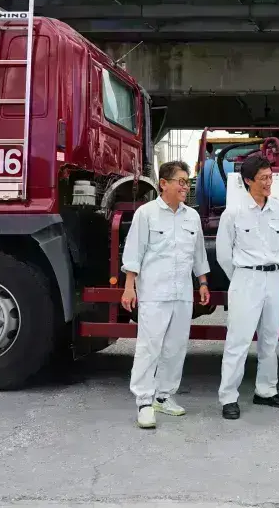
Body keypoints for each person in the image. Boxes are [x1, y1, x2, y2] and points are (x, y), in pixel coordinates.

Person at [120, 160, 211, 429]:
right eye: (181, 181)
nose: (186, 186)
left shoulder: (191, 216)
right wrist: (129, 286)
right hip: (154, 292)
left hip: (182, 293)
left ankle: (163, 396)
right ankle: (144, 402)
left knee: (175, 347)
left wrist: (202, 282)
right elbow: (134, 252)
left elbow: (198, 254)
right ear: (164, 184)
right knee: (150, 347)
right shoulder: (146, 214)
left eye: (187, 181)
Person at [215, 155, 279, 420]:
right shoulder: (233, 213)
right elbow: (224, 254)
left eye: (270, 177)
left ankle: (266, 390)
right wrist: (242, 276)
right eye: (263, 179)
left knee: (270, 338)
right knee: (238, 340)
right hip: (245, 278)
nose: (268, 183)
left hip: (273, 277)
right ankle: (228, 397)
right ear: (248, 181)